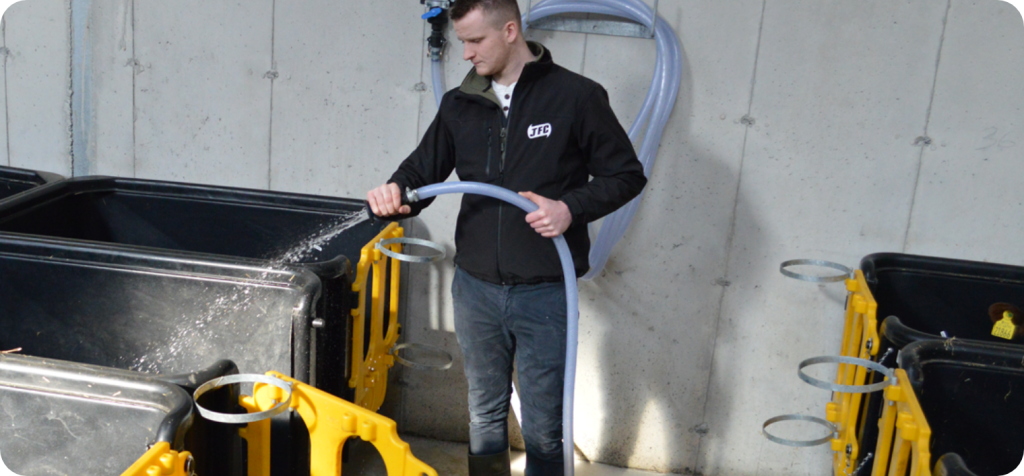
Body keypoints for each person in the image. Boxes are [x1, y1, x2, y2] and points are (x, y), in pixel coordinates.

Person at [367, 1, 646, 474]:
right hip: (475, 287)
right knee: (483, 410)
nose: (466, 54)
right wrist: (394, 191)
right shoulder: (461, 102)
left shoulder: (575, 97)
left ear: (510, 30)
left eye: (475, 41)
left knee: (542, 421)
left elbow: (625, 175)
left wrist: (569, 208)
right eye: (462, 42)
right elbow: (422, 172)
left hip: (544, 290)